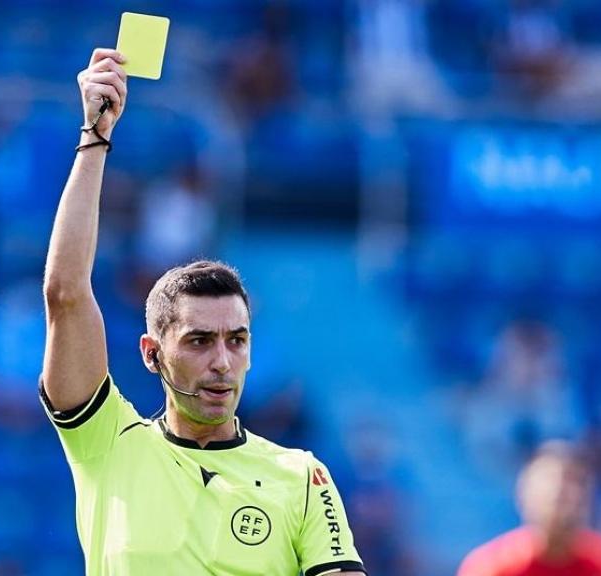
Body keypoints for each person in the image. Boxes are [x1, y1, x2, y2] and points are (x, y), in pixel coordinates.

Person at [39, 48, 366, 576]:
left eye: (236, 340)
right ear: (152, 354)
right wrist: (95, 138)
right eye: (198, 341)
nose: (222, 361)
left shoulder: (302, 477)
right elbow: (66, 293)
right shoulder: (107, 445)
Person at [457, 442, 601, 576]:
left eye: (576, 484)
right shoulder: (491, 567)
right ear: (523, 493)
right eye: (552, 485)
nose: (564, 497)